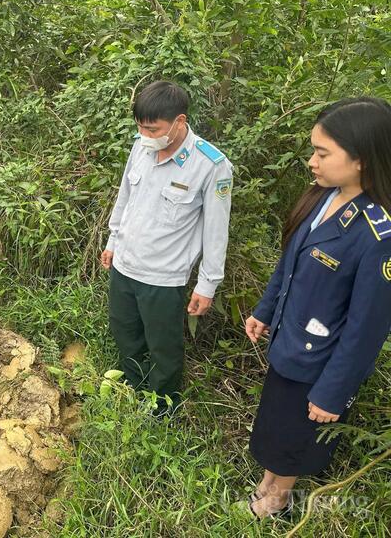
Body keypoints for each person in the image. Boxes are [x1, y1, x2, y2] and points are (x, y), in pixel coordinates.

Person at [244, 97, 391, 518]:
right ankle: (269, 482)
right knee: (277, 421)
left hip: (320, 362)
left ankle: (276, 500)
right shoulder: (323, 196)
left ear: (361, 159)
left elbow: (367, 328)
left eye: (322, 153)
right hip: (291, 341)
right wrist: (265, 310)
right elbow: (289, 265)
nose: (312, 161)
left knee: (296, 435)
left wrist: (334, 391)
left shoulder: (378, 235)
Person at [100, 80, 233, 411]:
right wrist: (113, 239)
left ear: (180, 122)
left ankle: (161, 409)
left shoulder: (211, 165)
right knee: (126, 333)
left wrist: (207, 284)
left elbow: (217, 231)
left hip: (162, 277)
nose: (146, 135)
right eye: (141, 127)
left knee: (163, 348)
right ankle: (132, 388)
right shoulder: (141, 146)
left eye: (153, 128)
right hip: (124, 265)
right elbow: (126, 197)